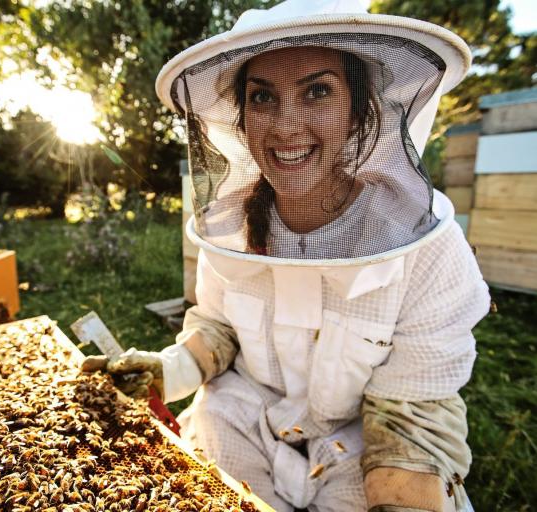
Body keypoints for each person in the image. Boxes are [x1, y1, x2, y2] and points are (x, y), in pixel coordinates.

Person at [83, 1, 491, 510]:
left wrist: (403, 496)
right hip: (244, 421)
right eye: (262, 97)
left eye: (318, 91)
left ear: (360, 112)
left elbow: (413, 416)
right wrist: (170, 370)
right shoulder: (230, 230)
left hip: (356, 445)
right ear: (241, 119)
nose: (284, 126)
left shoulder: (425, 249)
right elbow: (220, 327)